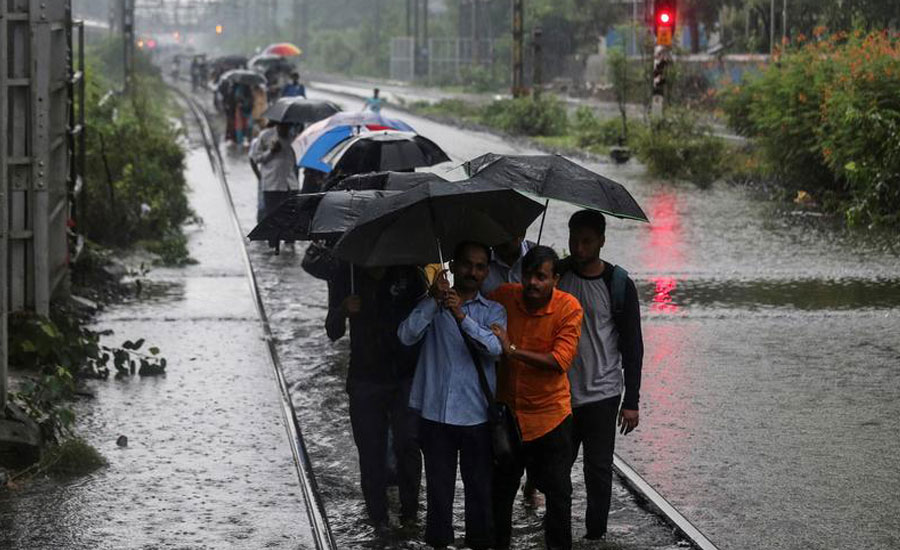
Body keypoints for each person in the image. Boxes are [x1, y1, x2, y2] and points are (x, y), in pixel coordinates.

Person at [398, 242, 506, 550]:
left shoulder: (494, 310)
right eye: (467, 265)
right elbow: (405, 335)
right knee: (439, 495)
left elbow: (495, 348)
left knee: (479, 494)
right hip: (436, 416)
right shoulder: (430, 305)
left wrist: (461, 315)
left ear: (487, 271)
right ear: (454, 266)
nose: (473, 272)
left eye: (480, 266)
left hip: (477, 417)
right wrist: (435, 302)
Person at [488, 246, 584, 550]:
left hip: (550, 419)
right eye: (529, 275)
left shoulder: (569, 308)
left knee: (558, 495)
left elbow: (560, 361)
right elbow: (475, 308)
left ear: (555, 279)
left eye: (541, 277)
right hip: (509, 416)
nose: (533, 283)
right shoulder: (504, 296)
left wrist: (512, 350)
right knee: (500, 493)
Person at [557, 210, 643, 541]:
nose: (578, 248)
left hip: (603, 393)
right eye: (574, 240)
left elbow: (633, 347)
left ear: (602, 242)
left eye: (587, 241)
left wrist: (631, 401)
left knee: (598, 471)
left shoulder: (618, 284)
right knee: (556, 470)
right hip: (559, 392)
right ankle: (558, 534)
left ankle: (595, 536)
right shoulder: (557, 274)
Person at [326, 263, 426, 535]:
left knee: (408, 444)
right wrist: (343, 310)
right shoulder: (345, 273)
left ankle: (410, 515)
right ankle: (378, 519)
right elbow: (332, 330)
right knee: (371, 451)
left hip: (404, 377)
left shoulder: (409, 272)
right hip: (365, 379)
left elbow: (424, 320)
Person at [249, 122, 298, 252]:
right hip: (272, 183)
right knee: (272, 214)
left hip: (290, 182)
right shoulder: (265, 136)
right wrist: (271, 151)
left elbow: (297, 159)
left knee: (290, 214)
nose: (285, 129)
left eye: (288, 127)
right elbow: (256, 158)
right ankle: (273, 243)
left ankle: (289, 242)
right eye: (283, 126)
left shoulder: (294, 137)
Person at [482, 236, 533, 305]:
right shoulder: (482, 259)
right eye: (495, 233)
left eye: (506, 234)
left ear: (521, 234)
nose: (500, 239)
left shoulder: (538, 258)